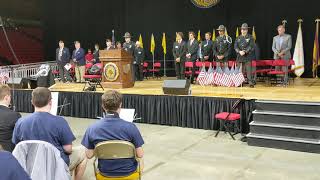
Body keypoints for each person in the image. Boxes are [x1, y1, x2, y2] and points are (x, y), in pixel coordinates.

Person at [12, 87, 87, 180]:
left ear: (32, 102)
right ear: (50, 102)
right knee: (83, 152)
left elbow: (17, 147)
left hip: (30, 165)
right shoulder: (60, 122)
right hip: (55, 166)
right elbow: (68, 149)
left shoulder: (20, 122)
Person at [82, 90, 144, 177]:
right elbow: (140, 154)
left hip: (105, 173)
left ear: (103, 106)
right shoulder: (131, 127)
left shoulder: (92, 128)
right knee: (141, 160)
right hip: (128, 173)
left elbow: (89, 155)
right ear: (120, 105)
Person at [0, 85, 21, 152]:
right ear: (6, 97)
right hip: (8, 154)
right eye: (10, 97)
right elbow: (20, 137)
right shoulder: (14, 115)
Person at [234, 23, 255, 88]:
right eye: (242, 29)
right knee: (240, 70)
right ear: (241, 30)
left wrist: (245, 51)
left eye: (245, 29)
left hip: (247, 56)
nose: (243, 30)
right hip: (240, 56)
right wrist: (239, 51)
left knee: (248, 70)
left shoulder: (250, 37)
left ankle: (250, 82)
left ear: (247, 30)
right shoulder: (238, 38)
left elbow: (251, 46)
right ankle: (241, 82)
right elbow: (235, 46)